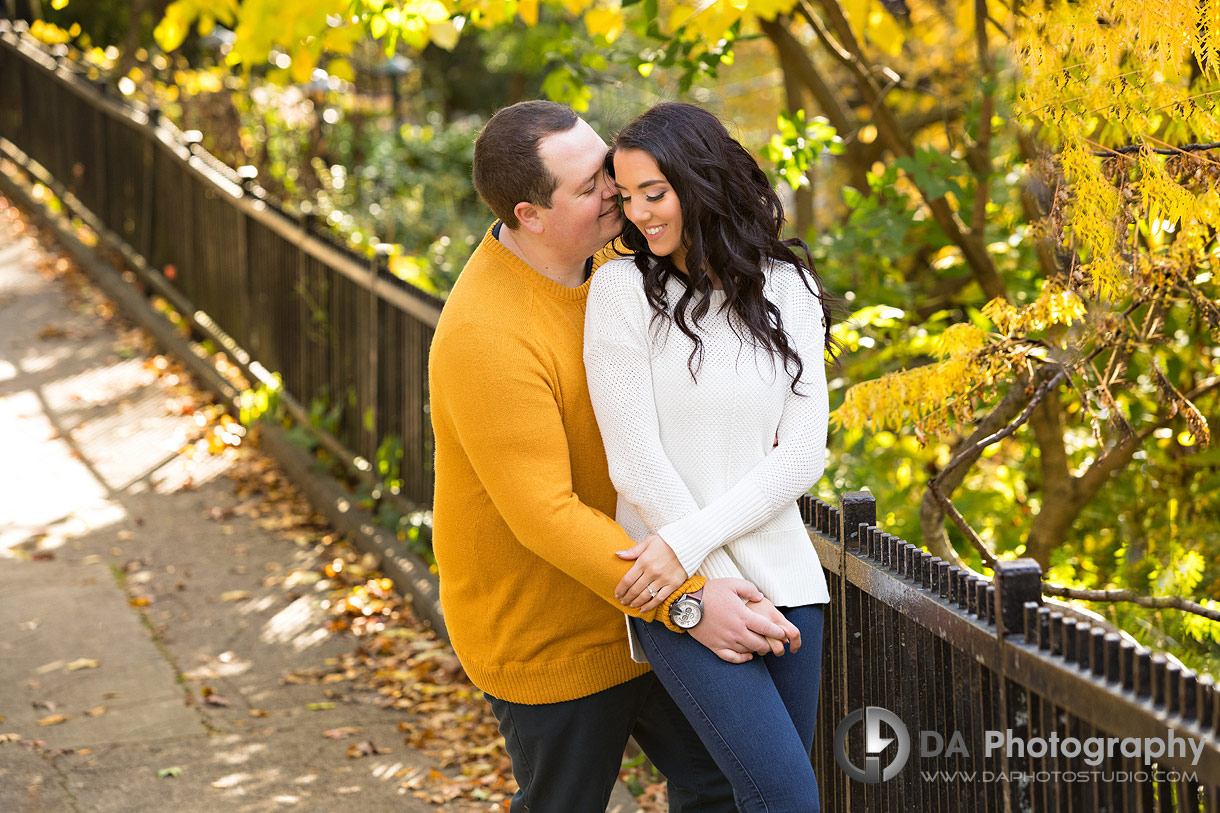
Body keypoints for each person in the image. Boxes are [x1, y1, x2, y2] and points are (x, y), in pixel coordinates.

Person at [427, 99, 804, 813]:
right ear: (528, 214)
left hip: (651, 595)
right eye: (591, 184)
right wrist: (689, 601)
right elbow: (547, 515)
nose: (616, 188)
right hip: (553, 631)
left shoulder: (622, 257)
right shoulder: (487, 334)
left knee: (725, 786)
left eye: (609, 166)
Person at [583, 102, 837, 812]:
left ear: (701, 182)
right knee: (785, 799)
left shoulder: (790, 287)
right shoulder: (620, 291)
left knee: (728, 798)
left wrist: (695, 546)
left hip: (787, 584)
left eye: (653, 193)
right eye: (626, 198)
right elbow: (634, 462)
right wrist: (710, 581)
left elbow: (802, 455)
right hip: (686, 594)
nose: (638, 214)